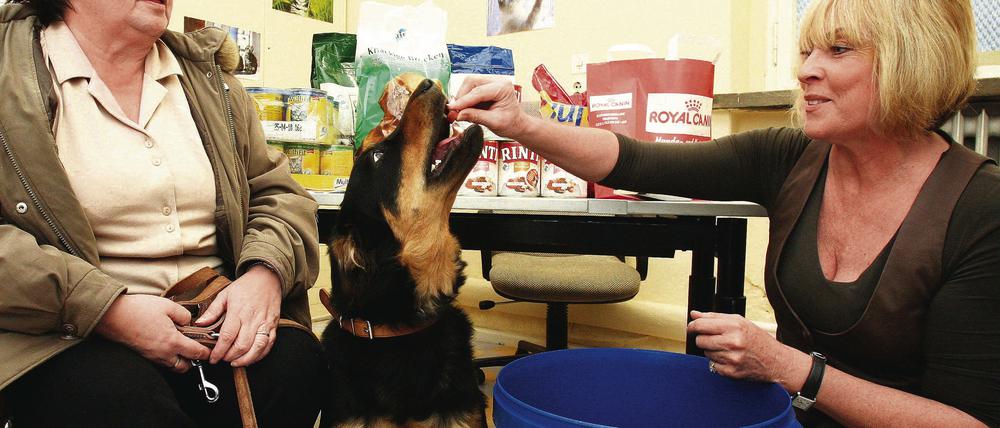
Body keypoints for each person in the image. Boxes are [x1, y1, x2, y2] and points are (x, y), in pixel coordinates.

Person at [450, 0, 999, 426]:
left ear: (913, 59)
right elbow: (633, 161)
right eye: (806, 51)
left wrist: (789, 368)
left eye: (837, 50)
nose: (805, 70)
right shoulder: (790, 158)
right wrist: (520, 122)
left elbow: (970, 420)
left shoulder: (980, 209)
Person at [0, 0, 326, 426]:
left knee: (294, 365)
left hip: (213, 313)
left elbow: (278, 193)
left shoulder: (209, 79)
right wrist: (104, 309)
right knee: (113, 398)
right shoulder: (10, 72)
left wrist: (264, 274)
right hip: (67, 332)